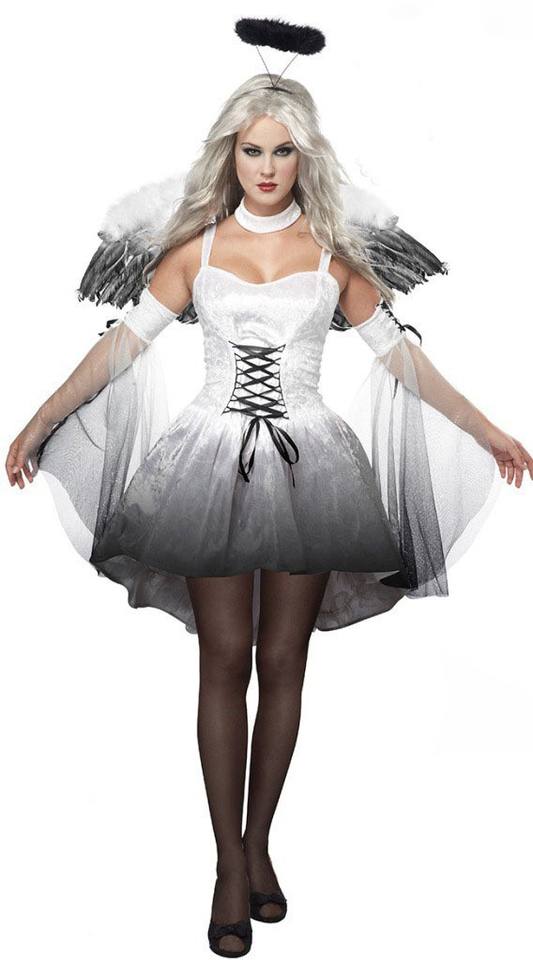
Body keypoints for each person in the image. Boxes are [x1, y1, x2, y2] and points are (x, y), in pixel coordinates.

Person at [5, 29, 533, 959]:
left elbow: (402, 361)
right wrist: (39, 421)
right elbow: (118, 348)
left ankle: (258, 845)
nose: (265, 166)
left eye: (282, 150)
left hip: (310, 467)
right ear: (229, 155)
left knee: (284, 661)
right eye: (251, 149)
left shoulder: (331, 254)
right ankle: (224, 864)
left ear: (303, 157)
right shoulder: (193, 252)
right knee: (224, 659)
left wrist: (489, 430)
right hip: (209, 463)